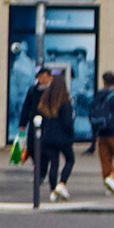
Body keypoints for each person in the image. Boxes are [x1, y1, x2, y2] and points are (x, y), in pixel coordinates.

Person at [34, 68, 76, 199]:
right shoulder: (65, 102)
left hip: (47, 137)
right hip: (63, 137)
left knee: (54, 163)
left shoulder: (45, 101)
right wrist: (71, 135)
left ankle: (52, 192)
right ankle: (62, 183)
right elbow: (67, 122)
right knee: (70, 160)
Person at [90, 71, 114, 193]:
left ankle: (107, 185)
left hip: (101, 133)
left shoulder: (98, 96)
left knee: (105, 160)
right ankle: (112, 177)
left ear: (103, 81)